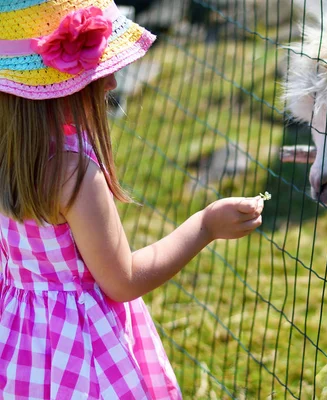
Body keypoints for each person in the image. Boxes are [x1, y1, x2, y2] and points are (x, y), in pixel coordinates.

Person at [0, 1, 264, 398]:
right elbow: (122, 281)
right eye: (98, 71)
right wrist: (205, 225)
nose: (113, 84)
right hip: (82, 349)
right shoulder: (71, 172)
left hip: (21, 339)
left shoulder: (10, 155)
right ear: (60, 86)